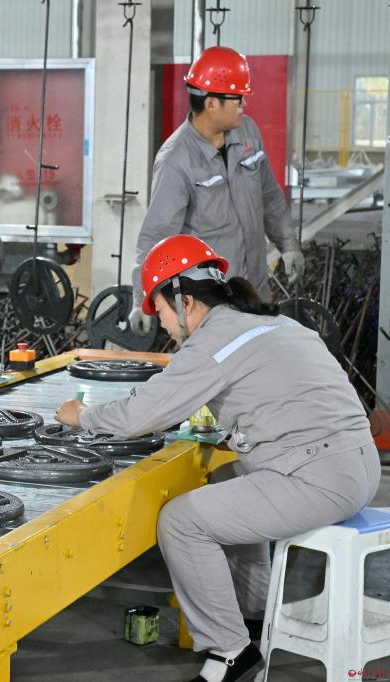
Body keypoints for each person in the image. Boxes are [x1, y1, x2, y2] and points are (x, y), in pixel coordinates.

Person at [55, 235, 379, 682]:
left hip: (319, 480)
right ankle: (253, 614)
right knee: (226, 480)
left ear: (185, 302)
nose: (162, 324)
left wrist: (81, 416)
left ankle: (229, 652)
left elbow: (141, 415)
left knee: (181, 521)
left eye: (160, 311)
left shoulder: (212, 342)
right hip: (358, 466)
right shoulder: (276, 324)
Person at [128, 46, 304, 334]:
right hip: (210, 306)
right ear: (211, 104)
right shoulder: (176, 160)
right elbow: (157, 236)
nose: (244, 105)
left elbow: (269, 196)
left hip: (255, 292)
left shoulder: (248, 133)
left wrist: (289, 245)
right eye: (237, 99)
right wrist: (141, 299)